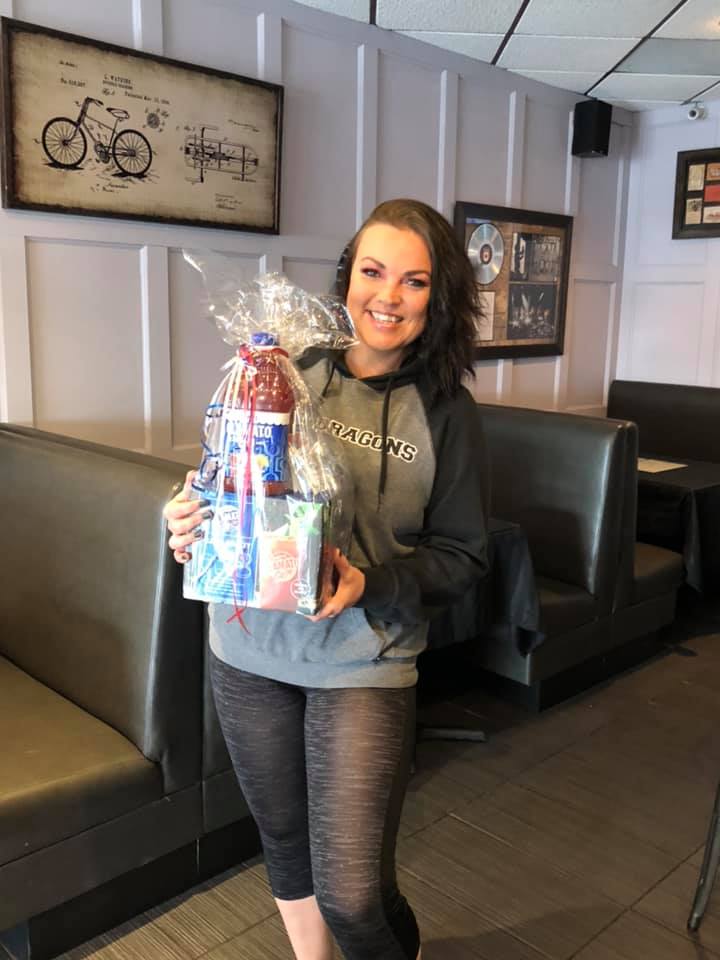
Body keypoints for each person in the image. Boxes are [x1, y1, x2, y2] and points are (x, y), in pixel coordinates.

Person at [164, 198, 488, 960]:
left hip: (363, 659)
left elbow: (465, 558)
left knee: (353, 894)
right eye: (373, 272)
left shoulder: (447, 412)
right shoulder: (284, 370)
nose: (388, 296)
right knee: (284, 842)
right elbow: (226, 483)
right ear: (347, 279)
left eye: (413, 281)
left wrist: (368, 584)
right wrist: (187, 516)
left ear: (437, 297)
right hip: (249, 651)